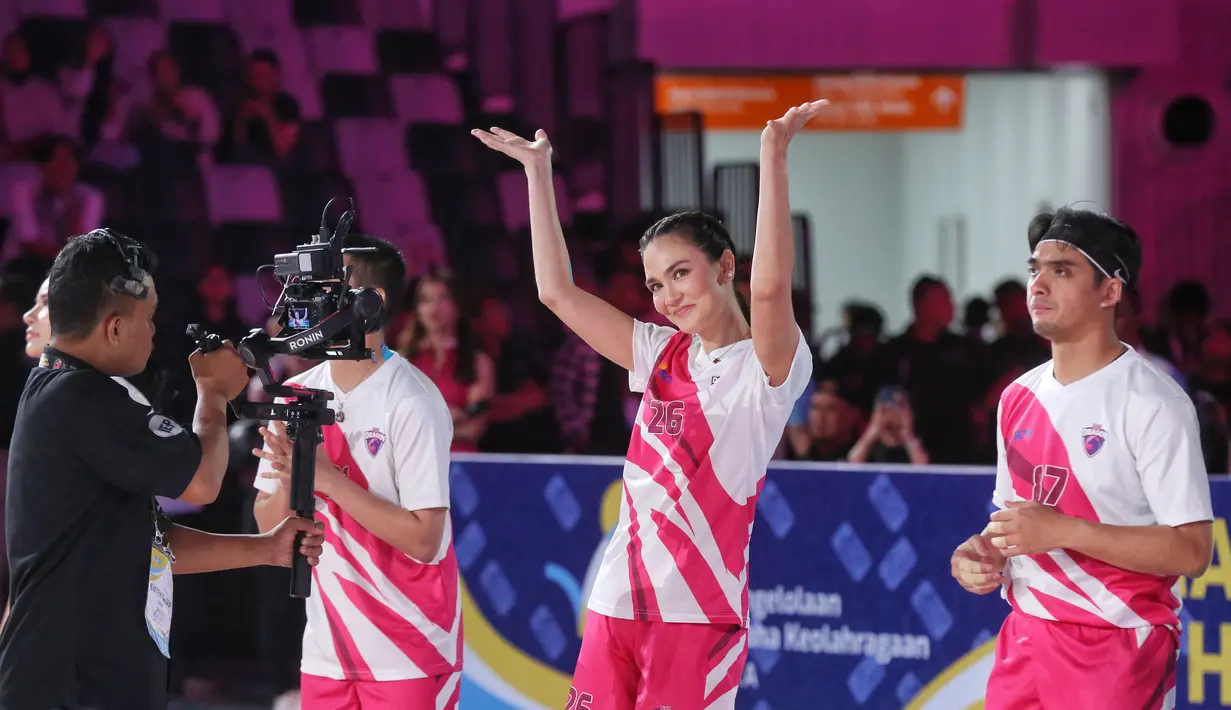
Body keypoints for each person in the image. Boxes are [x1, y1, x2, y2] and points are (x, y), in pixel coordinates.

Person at [473, 100, 820, 709]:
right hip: (616, 599)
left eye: (681, 274)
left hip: (698, 614)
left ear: (725, 267)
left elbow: (768, 290)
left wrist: (773, 157)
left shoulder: (767, 367)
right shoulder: (657, 353)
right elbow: (556, 293)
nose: (666, 296)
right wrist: (537, 173)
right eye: (656, 283)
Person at [0, 229, 325, 710]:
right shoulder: (82, 397)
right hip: (69, 680)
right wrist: (212, 394)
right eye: (148, 318)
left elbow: (150, 543)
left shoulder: (65, 394)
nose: (155, 330)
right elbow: (203, 483)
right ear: (114, 328)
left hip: (88, 673)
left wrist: (267, 548)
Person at [949, 208, 1214, 710]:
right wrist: (981, 552)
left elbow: (1192, 550)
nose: (1038, 285)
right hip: (1025, 639)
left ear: (1110, 292)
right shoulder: (1017, 396)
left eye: (1062, 270)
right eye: (1035, 269)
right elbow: (1014, 522)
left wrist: (1065, 531)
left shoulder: (1154, 400)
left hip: (1118, 646)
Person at [252, 234, 462, 710]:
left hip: (411, 647)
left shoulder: (414, 400)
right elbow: (268, 526)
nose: (304, 302)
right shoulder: (294, 394)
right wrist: (294, 478)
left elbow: (425, 540)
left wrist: (327, 480)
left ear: (371, 303)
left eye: (324, 287)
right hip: (326, 649)